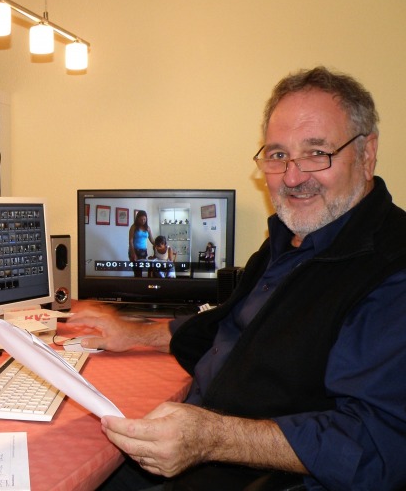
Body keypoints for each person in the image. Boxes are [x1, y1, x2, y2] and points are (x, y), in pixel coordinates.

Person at [68, 67, 406, 490]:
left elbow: (376, 445)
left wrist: (212, 438)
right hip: (195, 443)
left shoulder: (393, 268)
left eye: (317, 152)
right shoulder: (289, 238)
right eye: (278, 155)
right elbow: (227, 326)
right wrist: (133, 334)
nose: (293, 177)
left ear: (367, 153)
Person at [129, 210, 155, 277]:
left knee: (142, 269)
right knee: (137, 272)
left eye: (144, 219)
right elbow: (130, 241)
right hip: (134, 250)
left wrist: (160, 245)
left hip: (143, 252)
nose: (143, 221)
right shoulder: (134, 227)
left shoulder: (148, 228)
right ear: (137, 219)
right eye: (141, 219)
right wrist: (133, 253)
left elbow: (152, 240)